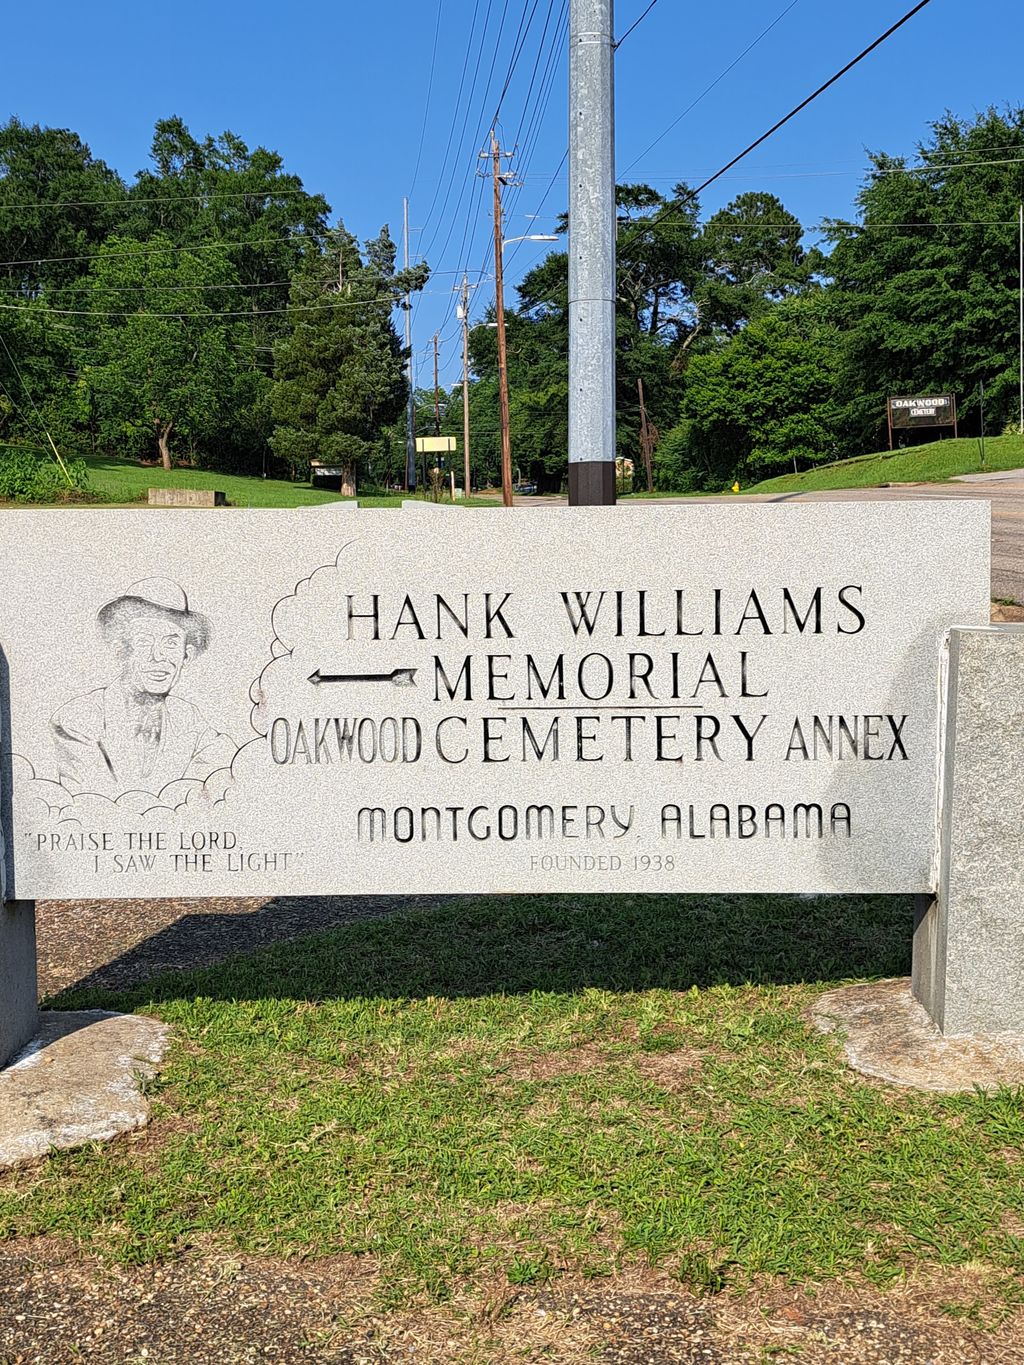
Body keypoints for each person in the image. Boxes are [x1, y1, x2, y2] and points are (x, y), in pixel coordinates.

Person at [51, 578, 236, 798]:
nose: (158, 656)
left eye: (171, 643)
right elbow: (93, 807)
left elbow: (223, 783)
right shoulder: (78, 718)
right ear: (121, 650)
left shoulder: (189, 718)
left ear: (186, 655)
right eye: (144, 641)